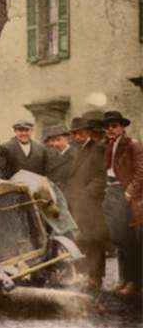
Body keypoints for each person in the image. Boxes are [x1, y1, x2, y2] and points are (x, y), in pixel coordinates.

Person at [102, 111, 142, 296]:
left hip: (125, 194)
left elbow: (141, 171)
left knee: (129, 241)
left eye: (114, 126)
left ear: (122, 127)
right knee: (118, 239)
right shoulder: (108, 145)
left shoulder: (132, 144)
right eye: (108, 127)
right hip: (111, 192)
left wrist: (129, 192)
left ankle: (135, 281)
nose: (111, 130)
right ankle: (124, 279)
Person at [66, 117, 109, 292]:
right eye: (75, 134)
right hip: (78, 204)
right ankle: (86, 276)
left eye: (81, 133)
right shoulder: (77, 150)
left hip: (91, 204)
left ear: (88, 132)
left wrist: (88, 194)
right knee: (83, 240)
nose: (78, 136)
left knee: (95, 240)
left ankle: (96, 277)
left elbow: (101, 176)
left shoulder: (98, 149)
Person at [42, 124, 77, 190]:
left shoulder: (76, 155)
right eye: (53, 140)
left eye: (58, 140)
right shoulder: (50, 155)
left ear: (68, 139)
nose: (55, 144)